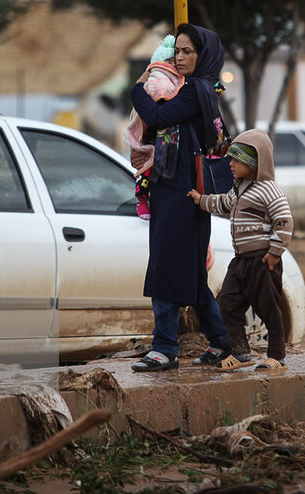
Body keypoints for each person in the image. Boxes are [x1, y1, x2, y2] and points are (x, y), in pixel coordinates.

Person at [129, 23, 233, 372]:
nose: (180, 57)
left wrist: (138, 88)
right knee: (191, 274)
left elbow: (157, 115)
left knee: (166, 268)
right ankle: (221, 342)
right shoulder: (193, 90)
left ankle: (164, 347)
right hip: (175, 190)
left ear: (204, 56)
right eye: (178, 50)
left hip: (181, 192)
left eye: (188, 51)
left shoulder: (196, 92)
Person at [186, 129, 294, 372]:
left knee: (269, 308)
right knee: (227, 303)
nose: (231, 164)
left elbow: (284, 221)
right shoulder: (238, 189)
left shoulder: (269, 190)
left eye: (236, 160)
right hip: (240, 261)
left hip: (262, 260)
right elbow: (223, 203)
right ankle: (241, 353)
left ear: (254, 163)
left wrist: (275, 253)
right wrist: (200, 200)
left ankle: (277, 355)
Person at [123, 34, 184, 219]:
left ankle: (143, 197)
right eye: (171, 62)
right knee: (146, 166)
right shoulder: (157, 76)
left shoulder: (190, 85)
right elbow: (158, 91)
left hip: (167, 145)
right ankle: (141, 197)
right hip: (152, 135)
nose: (175, 66)